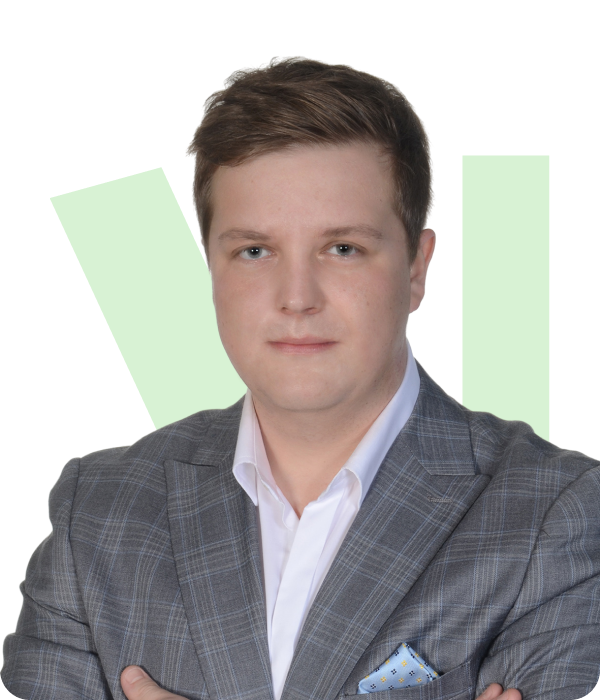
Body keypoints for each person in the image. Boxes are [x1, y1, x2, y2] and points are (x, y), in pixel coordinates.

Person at [2, 58, 599, 700]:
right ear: (212, 267)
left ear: (415, 269)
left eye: (342, 248)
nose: (296, 297)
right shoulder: (99, 513)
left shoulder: (556, 512)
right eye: (254, 251)